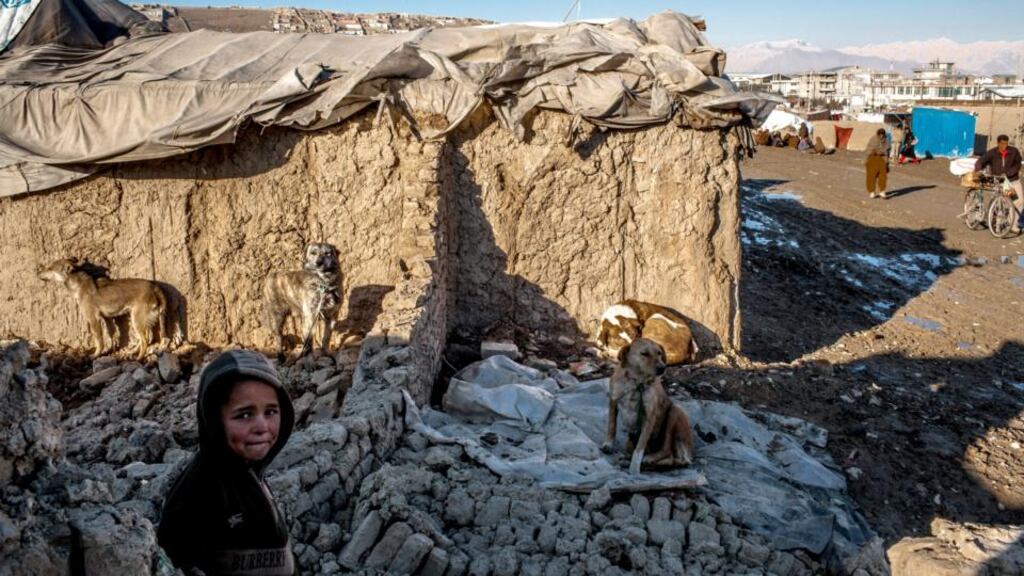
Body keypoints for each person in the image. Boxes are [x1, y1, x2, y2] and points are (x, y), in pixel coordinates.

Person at [158, 350, 296, 576]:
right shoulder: (196, 494)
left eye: (271, 411)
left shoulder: (252, 474)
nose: (262, 426)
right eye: (244, 415)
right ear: (214, 421)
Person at [975, 134, 1023, 234]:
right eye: (1002, 143)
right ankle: (997, 222)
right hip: (1001, 181)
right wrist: (977, 169)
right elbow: (981, 160)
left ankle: (1012, 224)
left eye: (1006, 143)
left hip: (1013, 179)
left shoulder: (1013, 151)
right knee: (1002, 202)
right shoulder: (992, 153)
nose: (1004, 146)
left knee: (1020, 201)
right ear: (998, 143)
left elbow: (1018, 163)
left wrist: (1010, 172)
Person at [865, 128, 889, 199]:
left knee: (883, 176)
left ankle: (882, 191)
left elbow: (887, 151)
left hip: (882, 159)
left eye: (883, 134)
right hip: (873, 159)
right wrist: (874, 152)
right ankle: (872, 191)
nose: (881, 136)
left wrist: (887, 161)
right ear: (878, 134)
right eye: (880, 134)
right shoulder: (873, 139)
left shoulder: (885, 141)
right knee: (871, 176)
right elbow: (869, 149)